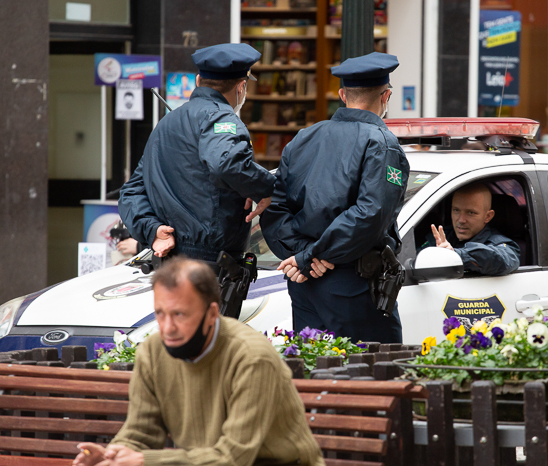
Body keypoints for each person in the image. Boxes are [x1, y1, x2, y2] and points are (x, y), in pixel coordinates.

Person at [72, 258, 324, 466]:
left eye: (179, 314)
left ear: (212, 314)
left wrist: (142, 460)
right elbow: (141, 432)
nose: (167, 328)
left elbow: (233, 458)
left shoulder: (251, 357)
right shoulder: (153, 351)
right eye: (160, 313)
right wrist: (112, 456)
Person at [261, 52, 409, 344]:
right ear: (386, 96)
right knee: (371, 375)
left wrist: (305, 254)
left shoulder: (302, 139)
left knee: (315, 371)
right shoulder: (382, 143)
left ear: (342, 95)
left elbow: (273, 207)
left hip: (305, 283)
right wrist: (313, 255)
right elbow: (371, 214)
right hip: (353, 285)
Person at [119, 43, 276, 261]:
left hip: (168, 259)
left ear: (197, 81)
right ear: (241, 87)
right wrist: (266, 188)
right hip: (211, 263)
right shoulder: (222, 117)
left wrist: (152, 229)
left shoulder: (166, 124)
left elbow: (131, 192)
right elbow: (226, 165)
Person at [424, 183, 520, 276]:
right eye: (456, 210)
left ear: (488, 216)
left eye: (470, 213)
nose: (461, 220)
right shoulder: (440, 236)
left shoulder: (499, 243)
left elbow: (504, 260)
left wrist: (456, 255)